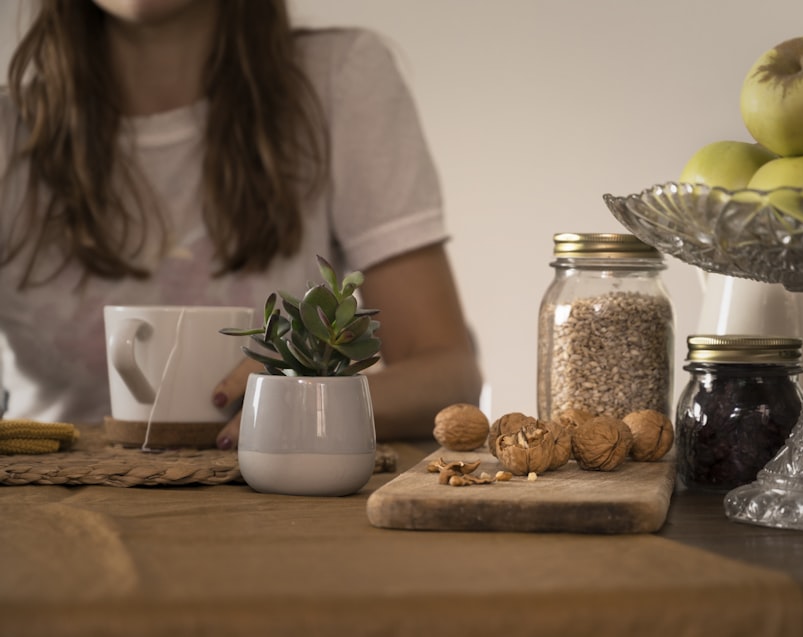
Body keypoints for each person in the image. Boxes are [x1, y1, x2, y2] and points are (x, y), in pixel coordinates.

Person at [0, 0, 482, 448]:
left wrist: (306, 404)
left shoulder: (339, 77)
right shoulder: (8, 129)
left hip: (280, 515)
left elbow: (446, 373)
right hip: (47, 514)